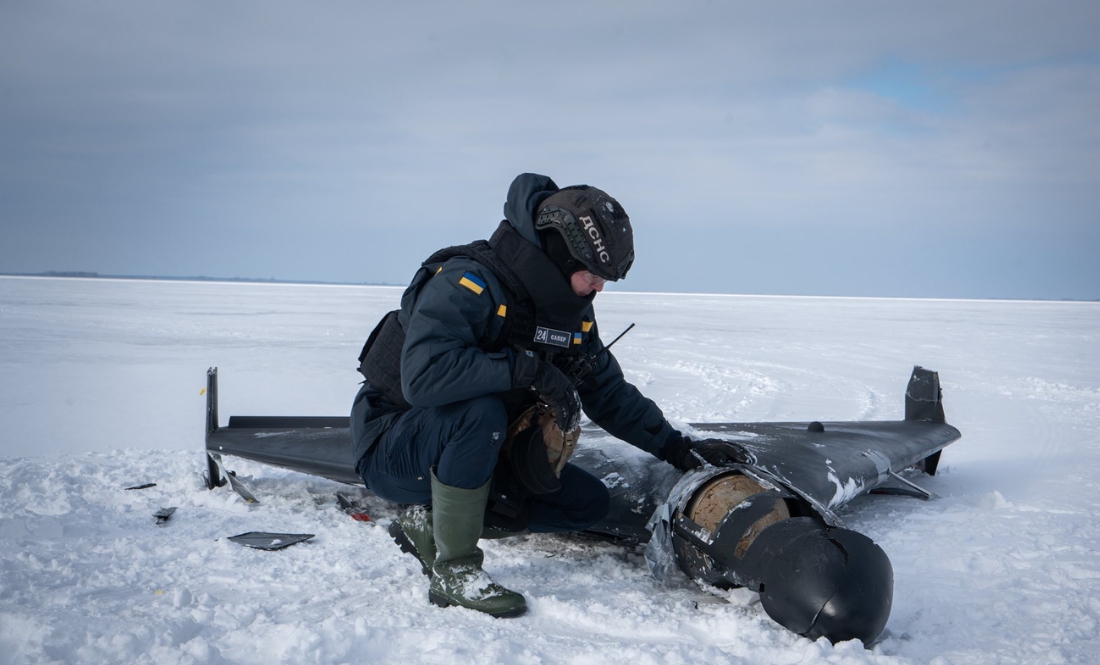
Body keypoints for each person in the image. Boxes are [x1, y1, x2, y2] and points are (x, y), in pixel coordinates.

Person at [350, 173, 740, 618]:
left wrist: (678, 448)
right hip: (394, 443)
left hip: (473, 449)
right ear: (559, 255)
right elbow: (425, 378)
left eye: (605, 279)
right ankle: (453, 570)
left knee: (584, 503)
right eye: (592, 275)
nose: (599, 288)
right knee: (478, 413)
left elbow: (606, 390)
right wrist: (529, 370)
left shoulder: (569, 314)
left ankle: (431, 522)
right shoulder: (469, 282)